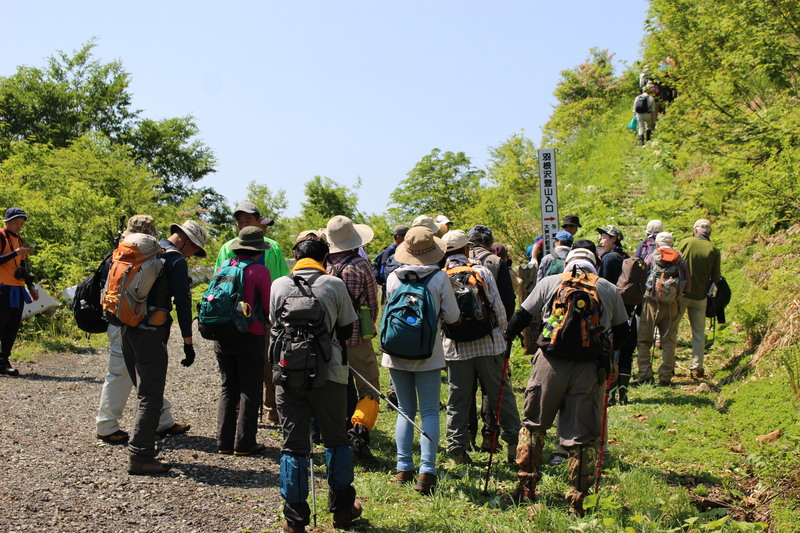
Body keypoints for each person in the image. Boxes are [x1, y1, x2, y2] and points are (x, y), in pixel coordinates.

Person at [504, 246, 628, 514]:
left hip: (550, 363)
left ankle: (526, 487)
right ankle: (579, 500)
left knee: (534, 425)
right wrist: (613, 360)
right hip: (589, 367)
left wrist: (506, 344)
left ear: (568, 262)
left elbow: (521, 317)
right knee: (582, 436)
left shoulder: (551, 282)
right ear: (594, 264)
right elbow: (623, 332)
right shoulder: (607, 288)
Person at [271, 230, 361, 533]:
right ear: (325, 257)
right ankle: (343, 511)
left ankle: (295, 520)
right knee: (336, 440)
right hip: (331, 374)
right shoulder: (334, 284)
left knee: (294, 447)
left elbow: (274, 327)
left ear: (295, 257)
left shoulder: (278, 285)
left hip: (287, 375)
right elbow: (348, 330)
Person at [122, 220, 207, 475]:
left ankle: (145, 444)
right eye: (195, 249)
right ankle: (141, 456)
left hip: (127, 326)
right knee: (151, 395)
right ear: (186, 240)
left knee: (142, 391)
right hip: (151, 332)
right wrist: (188, 341)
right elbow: (182, 302)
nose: (193, 255)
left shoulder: (144, 251)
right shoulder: (175, 260)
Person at [96, 215, 189, 444]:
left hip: (117, 319)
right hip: (141, 324)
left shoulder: (117, 254)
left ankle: (162, 419)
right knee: (122, 373)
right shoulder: (155, 256)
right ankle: (106, 425)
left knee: (146, 375)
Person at [382, 226, 459, 495]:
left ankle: (403, 467)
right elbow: (451, 317)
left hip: (395, 353)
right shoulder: (439, 278)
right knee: (428, 411)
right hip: (429, 353)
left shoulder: (393, 277)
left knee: (405, 409)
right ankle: (427, 471)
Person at [441, 230, 519, 465]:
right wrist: (503, 338)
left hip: (456, 348)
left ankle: (456, 450)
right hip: (489, 345)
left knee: (458, 398)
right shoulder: (481, 271)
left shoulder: (440, 277)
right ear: (467, 250)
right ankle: (514, 445)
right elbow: (498, 308)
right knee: (500, 395)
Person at [215, 201, 289, 426]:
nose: (242, 223)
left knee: (269, 363)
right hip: (238, 318)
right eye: (239, 221)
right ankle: (240, 410)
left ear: (259, 221)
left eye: (247, 219)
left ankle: (271, 408)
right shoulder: (227, 247)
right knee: (242, 366)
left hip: (266, 316)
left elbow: (282, 278)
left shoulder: (272, 247)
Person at [323, 215, 381, 464]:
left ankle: (338, 436)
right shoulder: (360, 265)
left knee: (337, 387)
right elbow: (372, 302)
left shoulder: (323, 266)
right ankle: (359, 435)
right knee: (369, 389)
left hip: (330, 337)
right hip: (357, 336)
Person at [213, 226, 272, 455]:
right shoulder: (259, 271)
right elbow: (267, 307)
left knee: (228, 387)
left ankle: (223, 442)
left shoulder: (225, 266)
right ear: (257, 251)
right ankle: (245, 442)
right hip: (249, 333)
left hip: (222, 332)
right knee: (250, 387)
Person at [636, 232, 691, 386]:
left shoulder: (651, 258)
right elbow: (688, 286)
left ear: (657, 244)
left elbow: (642, 278)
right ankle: (665, 376)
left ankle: (645, 374)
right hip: (672, 305)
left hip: (651, 303)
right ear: (672, 244)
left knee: (644, 341)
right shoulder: (680, 260)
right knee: (669, 341)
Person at [677, 219, 722, 379]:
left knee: (672, 329)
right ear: (709, 233)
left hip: (681, 294)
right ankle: (697, 367)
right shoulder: (714, 249)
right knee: (698, 333)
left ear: (695, 230)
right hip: (700, 296)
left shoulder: (686, 242)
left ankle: (667, 367)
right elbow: (716, 277)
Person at [0, 207, 39, 376]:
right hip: (2, 287)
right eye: (15, 222)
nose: (18, 226)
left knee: (12, 326)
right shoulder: (1, 237)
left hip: (17, 288)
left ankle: (4, 360)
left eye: (21, 223)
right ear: (6, 221)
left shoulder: (20, 241)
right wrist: (15, 253)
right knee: (1, 325)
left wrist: (31, 286)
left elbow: (23, 267)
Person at [372, 224, 408, 303]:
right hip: (389, 289)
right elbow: (383, 271)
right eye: (406, 236)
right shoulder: (390, 250)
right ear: (398, 237)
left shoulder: (399, 249)